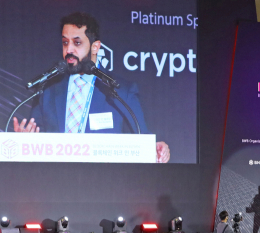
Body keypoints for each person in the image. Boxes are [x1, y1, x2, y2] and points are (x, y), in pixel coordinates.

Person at [13, 12, 170, 163]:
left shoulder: (121, 91)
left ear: (95, 47)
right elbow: (36, 139)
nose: (69, 50)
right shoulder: (48, 89)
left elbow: (142, 140)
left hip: (105, 178)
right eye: (65, 42)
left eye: (77, 43)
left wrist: (156, 149)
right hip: (57, 177)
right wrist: (25, 142)